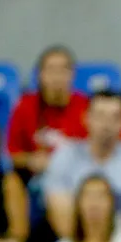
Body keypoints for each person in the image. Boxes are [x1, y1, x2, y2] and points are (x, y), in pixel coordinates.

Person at [43, 91, 121, 237]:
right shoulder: (63, 157)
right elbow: (63, 226)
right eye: (100, 116)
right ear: (86, 118)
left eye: (115, 117)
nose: (106, 124)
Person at [6, 45, 89, 180]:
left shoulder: (85, 107)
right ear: (40, 74)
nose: (57, 77)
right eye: (51, 70)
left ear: (72, 74)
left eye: (63, 70)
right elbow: (12, 155)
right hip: (37, 177)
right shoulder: (25, 106)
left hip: (76, 177)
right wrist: (30, 160)